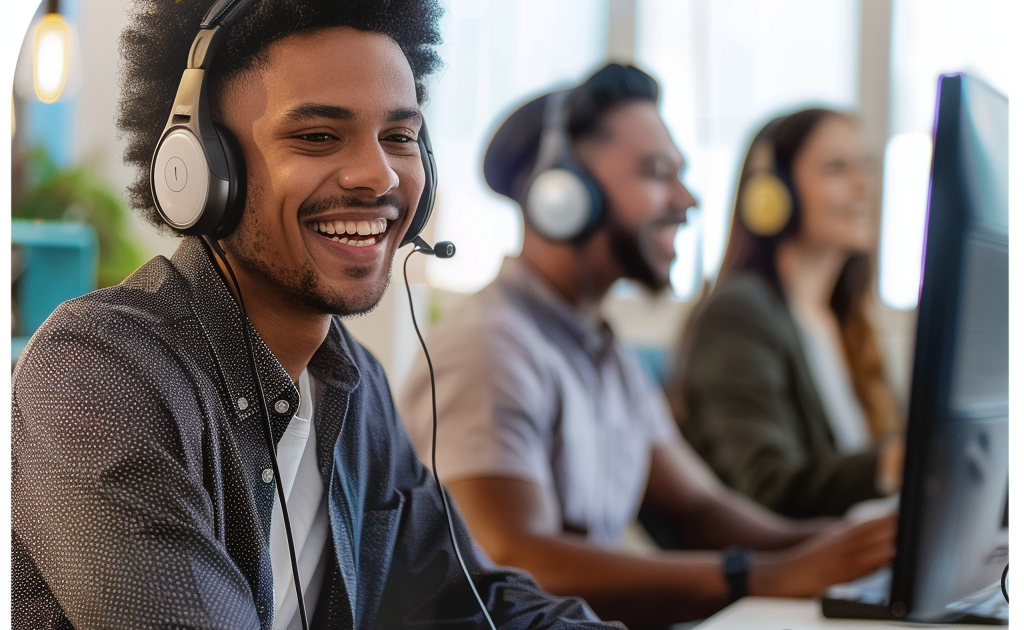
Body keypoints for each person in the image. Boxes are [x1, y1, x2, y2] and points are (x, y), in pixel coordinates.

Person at [10, 1, 623, 628]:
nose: (377, 176)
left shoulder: (353, 386)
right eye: (318, 136)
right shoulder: (94, 377)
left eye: (400, 138)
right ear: (201, 168)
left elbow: (471, 604)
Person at [397, 64, 896, 628]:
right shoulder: (490, 346)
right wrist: (756, 575)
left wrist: (857, 544)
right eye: (657, 172)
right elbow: (512, 561)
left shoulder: (600, 349)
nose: (686, 199)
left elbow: (699, 510)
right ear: (562, 194)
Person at [664, 109, 905, 519]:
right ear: (773, 193)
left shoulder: (845, 322)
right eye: (836, 169)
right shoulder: (739, 314)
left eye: (867, 166)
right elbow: (766, 486)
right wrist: (894, 464)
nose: (864, 186)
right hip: (780, 572)